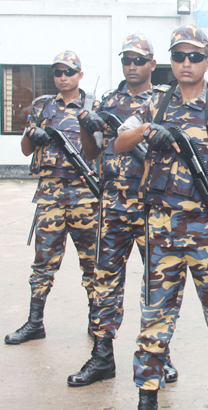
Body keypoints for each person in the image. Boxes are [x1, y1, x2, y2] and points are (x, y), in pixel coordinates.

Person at [115, 24, 208, 410]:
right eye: (178, 56)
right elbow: (119, 143)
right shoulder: (154, 103)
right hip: (161, 228)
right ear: (170, 62)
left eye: (194, 56)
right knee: (155, 317)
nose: (186, 63)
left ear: (207, 61)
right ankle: (147, 396)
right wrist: (147, 130)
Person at [68, 32, 183, 387]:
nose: (131, 66)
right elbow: (91, 153)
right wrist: (87, 129)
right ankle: (102, 356)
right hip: (112, 206)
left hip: (153, 206)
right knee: (104, 282)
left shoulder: (167, 101)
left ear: (152, 64)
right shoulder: (107, 100)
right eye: (126, 60)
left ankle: (158, 354)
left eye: (139, 60)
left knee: (158, 285)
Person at [6, 51, 99, 345]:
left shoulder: (93, 107)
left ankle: (96, 323)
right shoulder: (42, 107)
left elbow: (105, 148)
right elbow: (24, 150)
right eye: (57, 72)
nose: (62, 77)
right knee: (43, 264)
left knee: (92, 264)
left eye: (68, 72)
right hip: (50, 195)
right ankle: (35, 322)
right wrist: (33, 134)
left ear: (79, 75)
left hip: (86, 197)